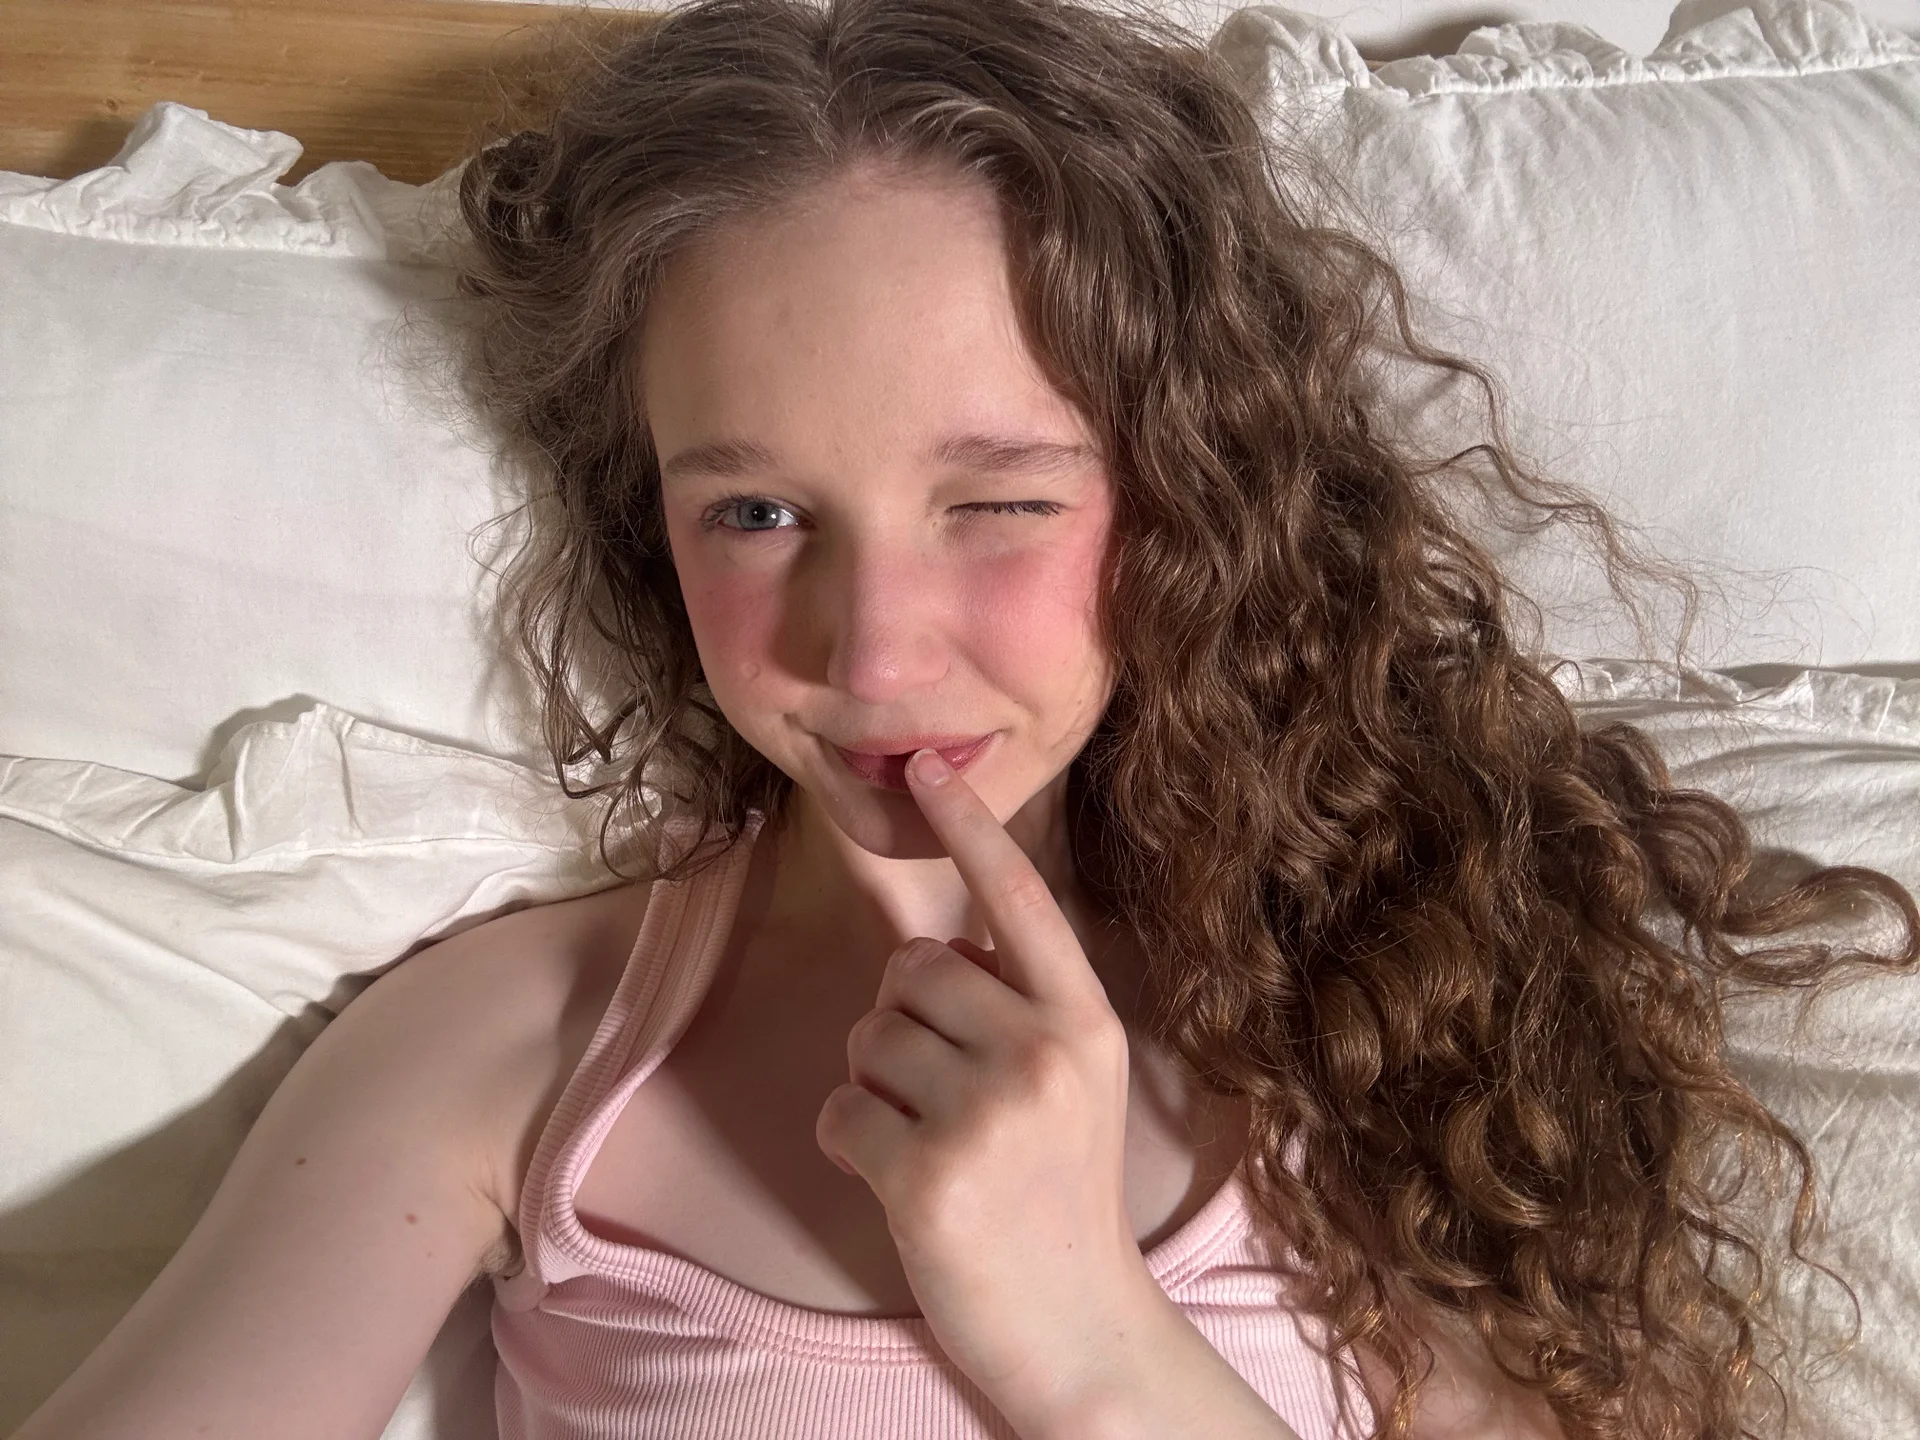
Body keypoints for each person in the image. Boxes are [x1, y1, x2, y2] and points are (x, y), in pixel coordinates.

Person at [17, 0, 1917, 1437]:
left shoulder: (1399, 1021)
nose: (872, 648)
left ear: (1191, 498)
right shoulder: (517, 1053)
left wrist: (1087, 1338)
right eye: (757, 515)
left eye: (1000, 502)